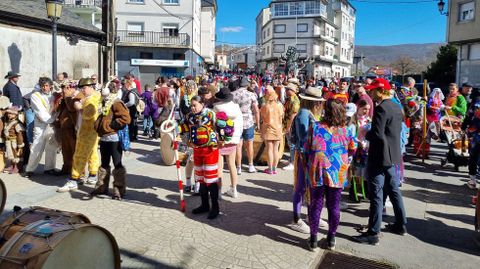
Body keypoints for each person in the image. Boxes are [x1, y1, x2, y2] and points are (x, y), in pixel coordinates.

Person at [353, 78, 407, 245]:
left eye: (373, 90)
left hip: (380, 156)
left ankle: (373, 232)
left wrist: (365, 132)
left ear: (380, 91)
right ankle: (400, 224)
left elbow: (376, 134)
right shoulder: (396, 107)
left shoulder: (382, 108)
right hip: (392, 155)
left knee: (376, 194)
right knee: (393, 190)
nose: (370, 93)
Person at [304, 99, 356, 251]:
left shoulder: (315, 127)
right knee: (334, 206)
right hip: (337, 173)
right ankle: (331, 238)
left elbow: (306, 148)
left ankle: (313, 239)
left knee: (316, 205)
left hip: (317, 171)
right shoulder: (345, 131)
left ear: (326, 110)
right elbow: (353, 148)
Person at [290, 87, 325, 234]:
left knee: (308, 187)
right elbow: (305, 138)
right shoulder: (304, 114)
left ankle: (311, 216)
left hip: (309, 154)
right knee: (301, 187)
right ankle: (297, 219)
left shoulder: (307, 113)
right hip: (305, 155)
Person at [179, 96, 220, 219]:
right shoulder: (189, 116)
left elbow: (222, 128)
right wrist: (176, 130)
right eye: (191, 105)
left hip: (210, 151)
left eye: (195, 105)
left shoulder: (211, 115)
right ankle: (204, 205)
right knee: (200, 179)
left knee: (211, 180)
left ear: (202, 104)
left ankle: (215, 207)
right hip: (197, 151)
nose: (192, 107)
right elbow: (184, 128)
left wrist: (222, 138)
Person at [57, 78, 101, 193]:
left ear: (91, 87)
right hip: (89, 130)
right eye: (81, 88)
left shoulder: (92, 98)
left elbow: (89, 114)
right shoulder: (93, 96)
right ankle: (93, 174)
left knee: (79, 155)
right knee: (92, 153)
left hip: (88, 131)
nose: (82, 90)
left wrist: (78, 105)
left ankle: (74, 179)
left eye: (84, 88)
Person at [92, 81, 131, 199]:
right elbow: (102, 116)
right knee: (104, 164)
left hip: (114, 138)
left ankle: (119, 190)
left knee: (117, 164)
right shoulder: (103, 101)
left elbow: (126, 118)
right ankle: (101, 187)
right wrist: (98, 125)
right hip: (104, 138)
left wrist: (112, 126)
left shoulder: (116, 102)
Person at [22, 77, 60, 178]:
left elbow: (57, 110)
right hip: (40, 124)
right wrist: (53, 120)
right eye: (43, 86)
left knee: (51, 146)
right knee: (37, 146)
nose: (44, 88)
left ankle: (49, 168)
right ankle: (29, 169)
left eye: (46, 85)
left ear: (50, 86)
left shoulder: (53, 95)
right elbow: (40, 111)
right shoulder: (35, 96)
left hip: (51, 124)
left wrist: (56, 118)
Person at [213, 87, 243, 198]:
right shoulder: (236, 107)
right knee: (232, 165)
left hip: (220, 140)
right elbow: (240, 124)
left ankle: (219, 191)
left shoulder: (216, 107)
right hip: (233, 139)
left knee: (219, 166)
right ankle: (234, 189)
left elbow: (213, 124)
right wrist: (238, 138)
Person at [232, 77, 260, 174]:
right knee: (249, 144)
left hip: (237, 121)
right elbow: (256, 110)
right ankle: (250, 165)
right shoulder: (251, 94)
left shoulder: (233, 95)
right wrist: (258, 122)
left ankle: (238, 167)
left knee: (238, 146)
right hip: (248, 121)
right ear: (247, 84)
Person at [55, 80, 79, 175]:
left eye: (64, 88)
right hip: (64, 127)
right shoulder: (64, 97)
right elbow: (57, 109)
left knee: (74, 150)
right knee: (65, 150)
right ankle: (66, 167)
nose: (63, 90)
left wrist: (67, 97)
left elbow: (71, 108)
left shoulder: (76, 96)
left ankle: (77, 171)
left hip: (73, 128)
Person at [260, 87, 284, 174]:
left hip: (268, 128)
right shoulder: (280, 106)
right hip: (278, 128)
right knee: (275, 149)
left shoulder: (265, 106)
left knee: (269, 149)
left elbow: (262, 118)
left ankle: (269, 169)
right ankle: (274, 169)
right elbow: (282, 117)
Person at [282, 82, 300, 171]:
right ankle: (291, 159)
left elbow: (293, 115)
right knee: (289, 143)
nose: (285, 90)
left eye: (287, 89)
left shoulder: (295, 101)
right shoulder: (289, 99)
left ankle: (292, 162)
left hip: (292, 125)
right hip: (287, 123)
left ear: (292, 91)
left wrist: (289, 127)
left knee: (292, 144)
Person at [3, 106, 25, 174]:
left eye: (12, 114)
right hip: (9, 141)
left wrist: (20, 145)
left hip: (14, 142)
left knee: (16, 155)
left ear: (16, 115)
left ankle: (17, 167)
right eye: (9, 113)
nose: (9, 115)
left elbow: (20, 135)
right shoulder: (9, 122)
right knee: (11, 154)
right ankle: (12, 166)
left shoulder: (17, 124)